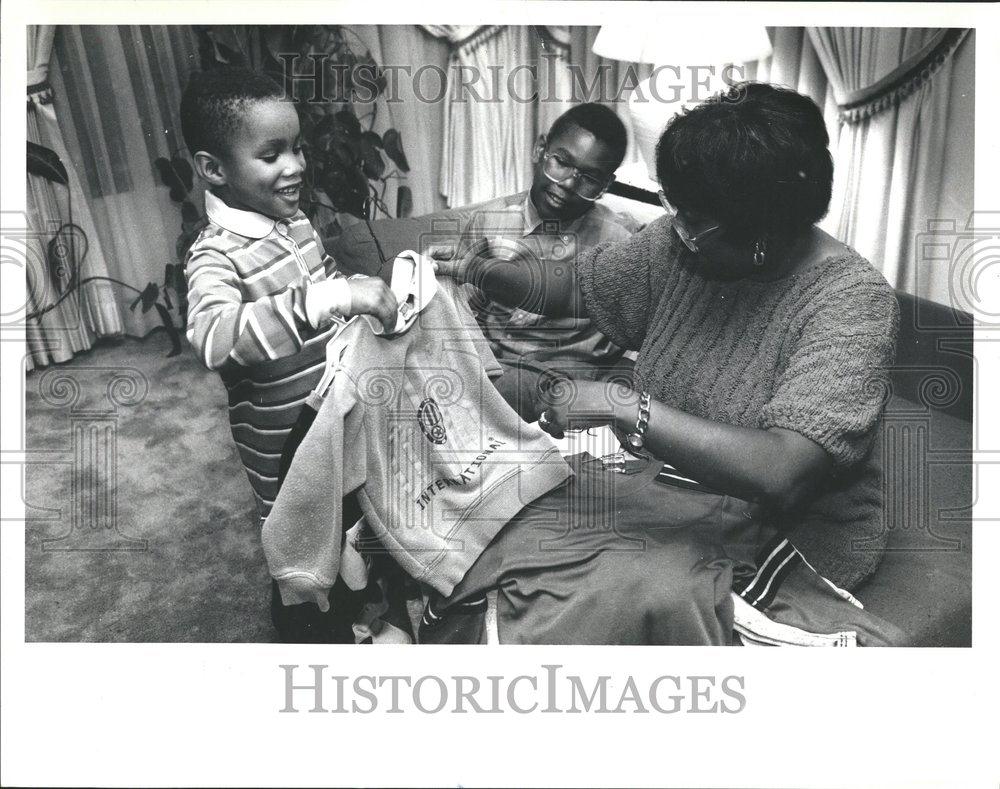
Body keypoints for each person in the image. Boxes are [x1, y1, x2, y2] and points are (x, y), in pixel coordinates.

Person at [431, 82, 904, 644]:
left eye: (693, 220)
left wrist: (622, 406)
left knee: (622, 586)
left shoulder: (851, 302)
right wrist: (480, 270)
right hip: (676, 489)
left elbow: (785, 471)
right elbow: (574, 286)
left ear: (763, 234)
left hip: (789, 530)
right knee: (504, 514)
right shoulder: (686, 242)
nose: (674, 229)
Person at [181, 67, 402, 642]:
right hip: (282, 445)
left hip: (332, 414)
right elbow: (212, 337)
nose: (296, 165)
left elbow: (321, 282)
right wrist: (327, 297)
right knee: (304, 541)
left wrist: (359, 300)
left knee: (354, 515)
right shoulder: (215, 257)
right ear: (214, 169)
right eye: (272, 154)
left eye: (297, 148)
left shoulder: (294, 220)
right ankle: (306, 622)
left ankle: (361, 600)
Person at [432, 103, 640, 419]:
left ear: (605, 186)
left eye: (588, 178)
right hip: (494, 370)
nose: (568, 183)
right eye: (561, 162)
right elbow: (464, 317)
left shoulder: (619, 244)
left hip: (569, 380)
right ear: (540, 149)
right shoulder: (490, 223)